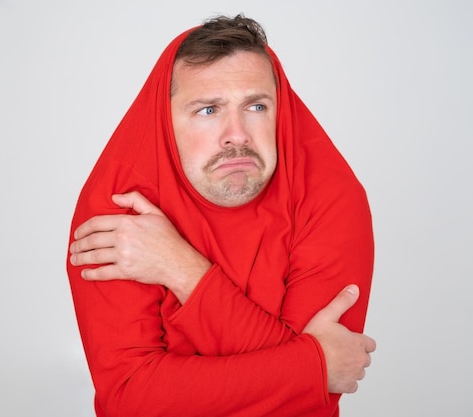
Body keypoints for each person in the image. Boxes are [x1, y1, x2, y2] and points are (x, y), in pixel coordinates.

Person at [67, 14, 375, 417]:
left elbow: (302, 409)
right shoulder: (121, 209)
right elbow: (130, 399)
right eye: (208, 110)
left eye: (256, 105)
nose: (237, 134)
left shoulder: (329, 194)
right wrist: (314, 366)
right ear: (165, 118)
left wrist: (179, 267)